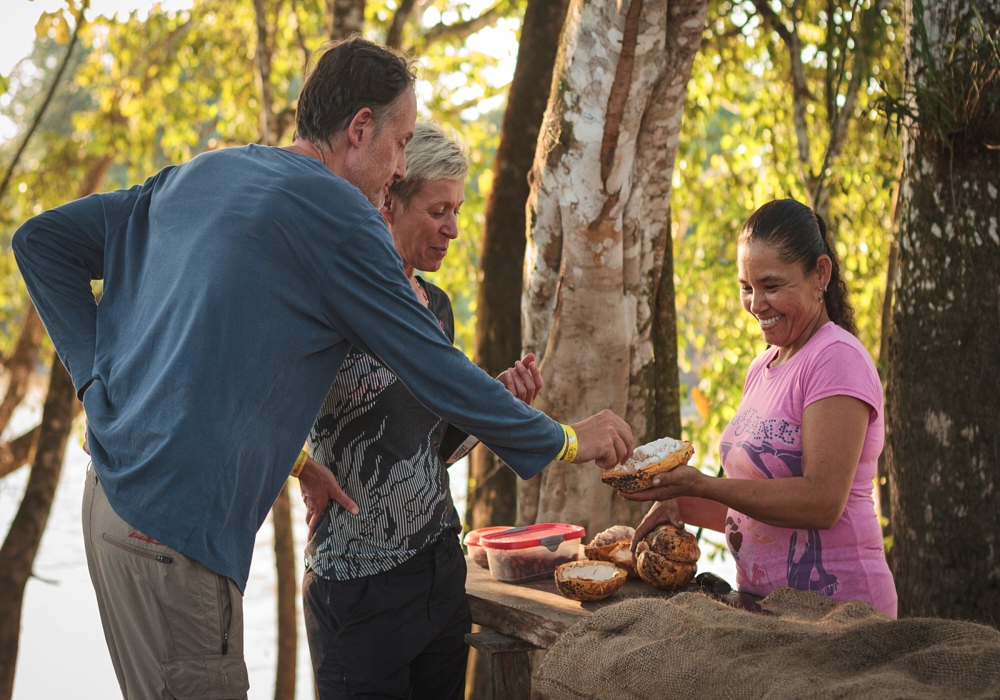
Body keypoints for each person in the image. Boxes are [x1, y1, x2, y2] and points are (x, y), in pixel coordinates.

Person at [12, 37, 633, 699]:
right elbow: (433, 364)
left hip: (110, 502)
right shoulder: (341, 215)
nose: (398, 167)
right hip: (173, 533)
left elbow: (44, 244)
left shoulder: (207, 172)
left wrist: (99, 382)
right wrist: (564, 440)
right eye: (399, 142)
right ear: (359, 128)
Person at [299, 121, 539, 699]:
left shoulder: (436, 307)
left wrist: (496, 401)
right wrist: (299, 465)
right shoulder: (335, 298)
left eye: (456, 211)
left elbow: (428, 451)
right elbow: (249, 401)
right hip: (356, 584)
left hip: (437, 572)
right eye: (438, 211)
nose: (453, 230)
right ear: (390, 198)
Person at [625, 199, 896, 618]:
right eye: (746, 288)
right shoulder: (762, 366)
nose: (755, 304)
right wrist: (680, 501)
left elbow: (822, 501)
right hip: (768, 610)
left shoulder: (836, 358)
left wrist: (701, 485)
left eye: (771, 286)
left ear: (820, 274)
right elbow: (754, 507)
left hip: (840, 615)